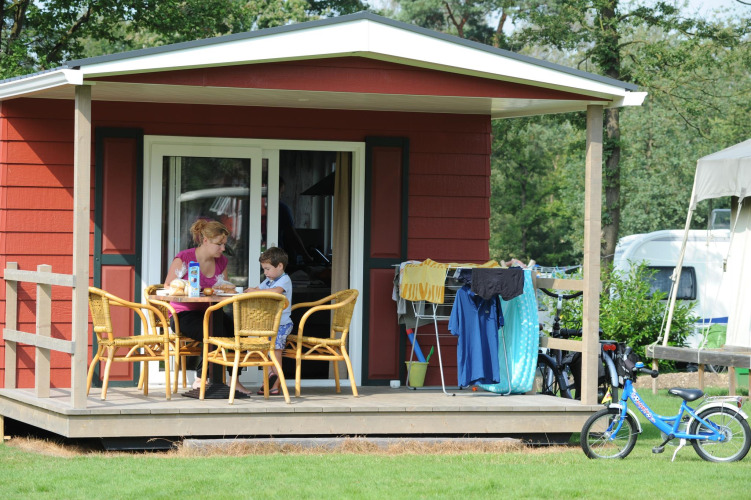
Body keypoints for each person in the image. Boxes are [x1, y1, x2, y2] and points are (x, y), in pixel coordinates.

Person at [164, 218, 251, 394]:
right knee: (211, 332)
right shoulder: (184, 258)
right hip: (183, 315)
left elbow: (224, 285)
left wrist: (223, 289)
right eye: (219, 244)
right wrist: (189, 289)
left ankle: (234, 379)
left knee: (238, 332)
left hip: (212, 312)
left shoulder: (222, 262)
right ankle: (201, 377)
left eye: (224, 244)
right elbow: (168, 287)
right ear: (205, 241)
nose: (223, 248)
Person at [244, 247, 293, 395]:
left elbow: (276, 292)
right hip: (269, 325)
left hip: (281, 325)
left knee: (276, 354)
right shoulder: (269, 280)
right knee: (267, 354)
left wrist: (256, 291)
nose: (265, 272)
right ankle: (269, 380)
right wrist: (249, 290)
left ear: (279, 266)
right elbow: (258, 288)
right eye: (263, 269)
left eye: (267, 269)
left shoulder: (284, 280)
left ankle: (275, 385)